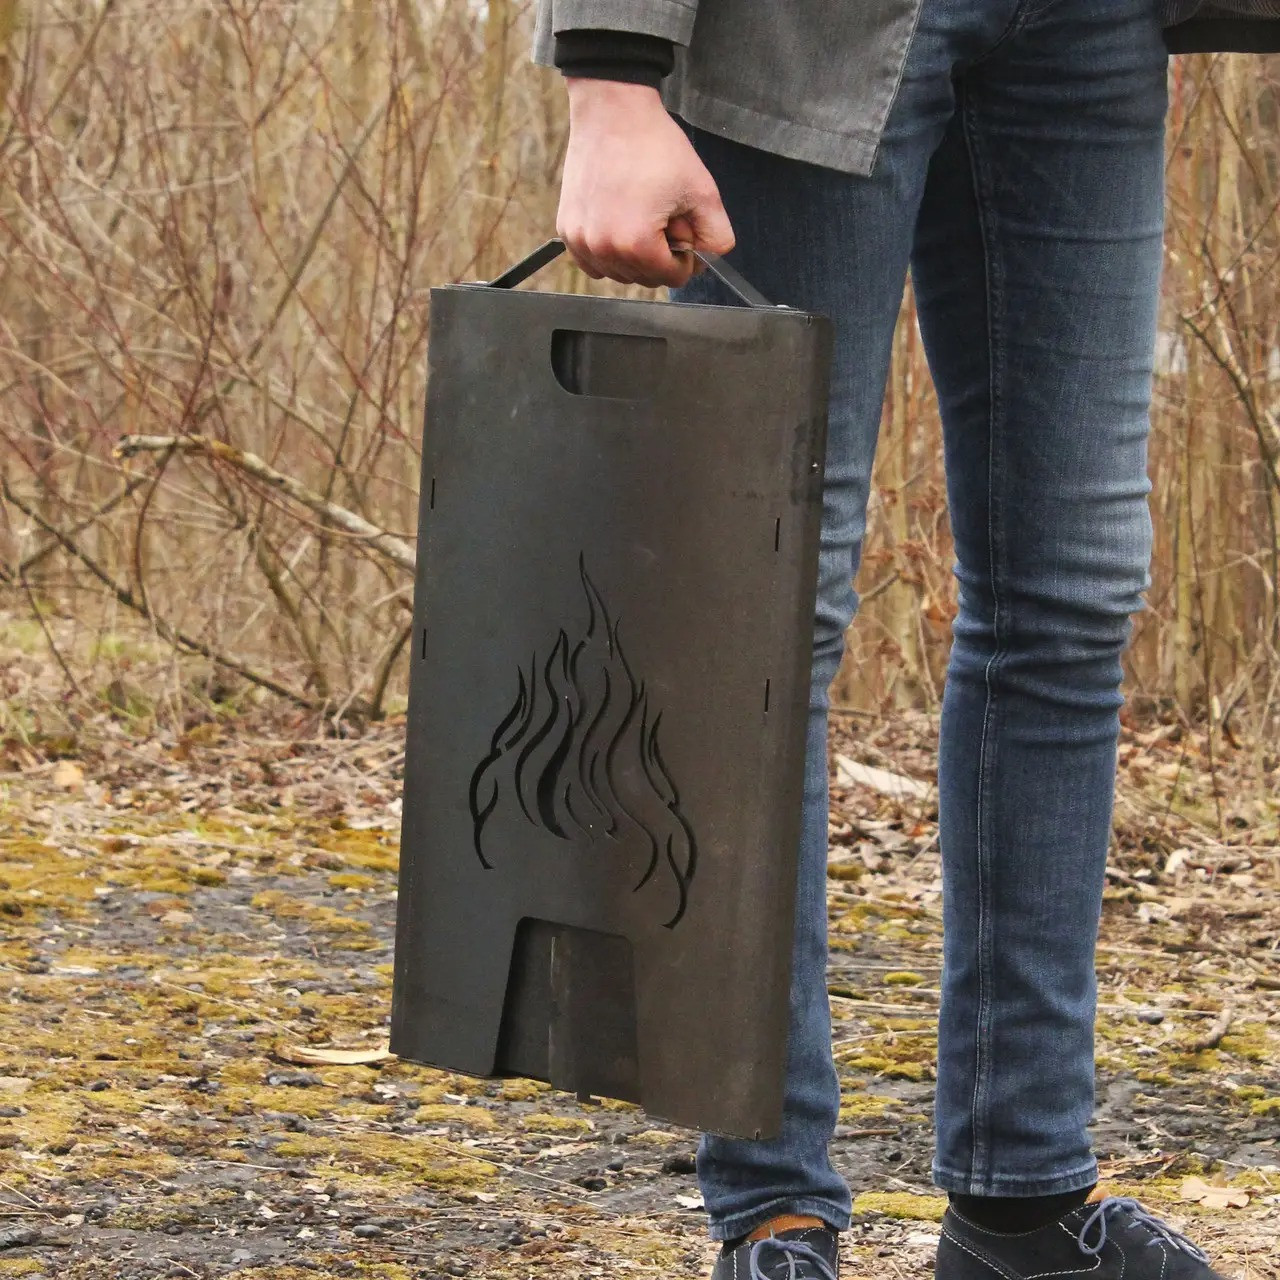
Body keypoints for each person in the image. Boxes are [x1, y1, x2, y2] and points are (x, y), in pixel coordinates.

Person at [531, 1, 1275, 1276]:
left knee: (1070, 598)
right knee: (757, 609)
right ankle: (771, 1210)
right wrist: (610, 66)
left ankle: (1022, 1199)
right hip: (802, 34)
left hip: (1089, 31)